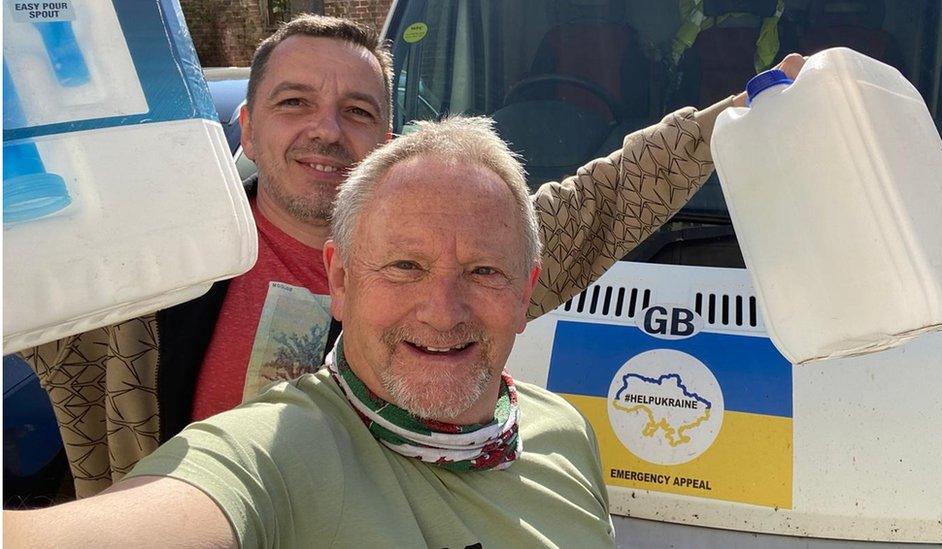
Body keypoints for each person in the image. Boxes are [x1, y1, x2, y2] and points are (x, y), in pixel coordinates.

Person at [19, 13, 807, 498]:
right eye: (294, 104)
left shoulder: (448, 269)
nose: (327, 130)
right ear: (247, 130)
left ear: (384, 146)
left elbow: (601, 202)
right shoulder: (144, 268)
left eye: (357, 111)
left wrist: (736, 118)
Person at [4, 116, 615, 548]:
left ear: (527, 287)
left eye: (484, 271)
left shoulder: (564, 433)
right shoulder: (276, 452)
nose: (443, 311)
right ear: (341, 282)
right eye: (405, 267)